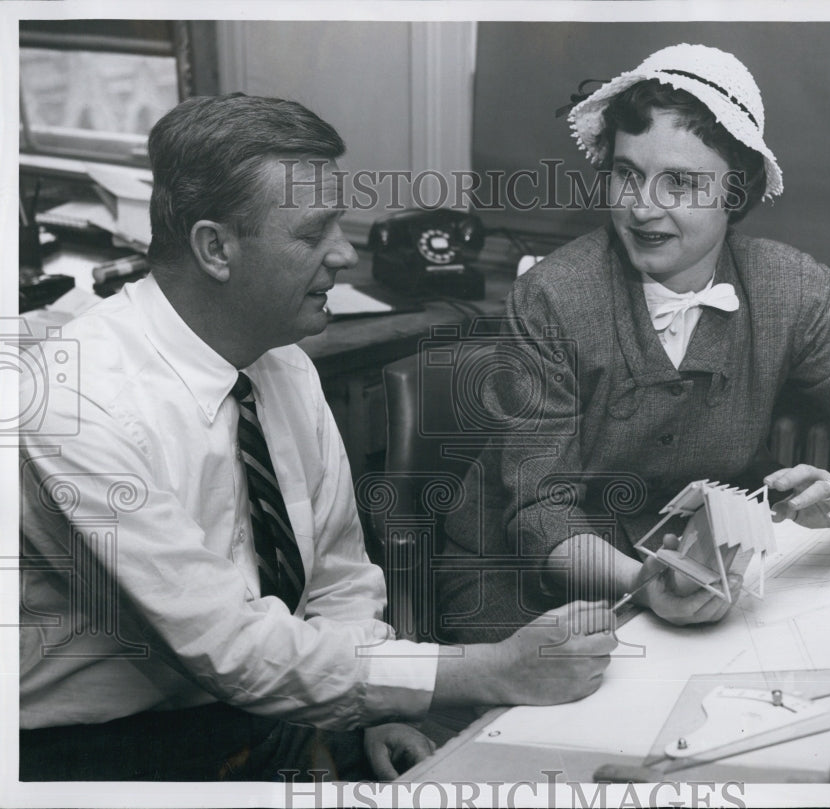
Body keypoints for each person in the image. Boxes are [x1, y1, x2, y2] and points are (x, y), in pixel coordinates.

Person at [18, 93, 617, 782]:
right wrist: (491, 669)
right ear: (216, 247)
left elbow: (337, 576)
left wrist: (367, 706)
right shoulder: (75, 401)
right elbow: (231, 647)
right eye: (314, 232)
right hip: (105, 756)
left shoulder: (284, 362)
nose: (345, 252)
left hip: (269, 710)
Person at [434, 44, 830, 644]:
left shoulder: (795, 290)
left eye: (681, 183)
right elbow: (538, 512)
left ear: (736, 194)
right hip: (519, 585)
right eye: (627, 173)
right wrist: (650, 583)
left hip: (681, 573)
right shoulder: (551, 297)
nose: (642, 207)